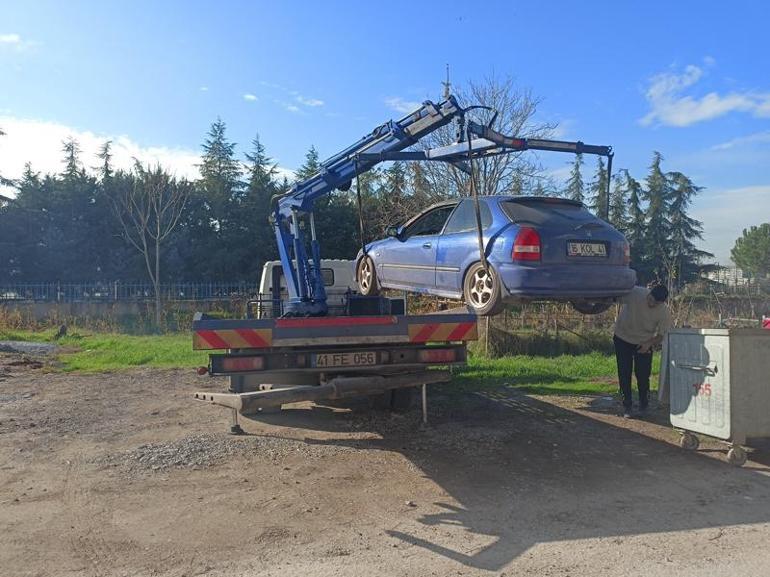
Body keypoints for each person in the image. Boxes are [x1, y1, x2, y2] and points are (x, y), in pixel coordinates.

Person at [613, 283, 671, 418]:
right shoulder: (635, 293)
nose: (651, 304)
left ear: (662, 303)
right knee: (624, 372)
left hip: (644, 342)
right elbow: (614, 298)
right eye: (650, 299)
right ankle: (627, 405)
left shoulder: (664, 312)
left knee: (643, 375)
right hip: (622, 337)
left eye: (655, 303)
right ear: (649, 293)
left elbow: (662, 334)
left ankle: (644, 404)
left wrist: (649, 343)